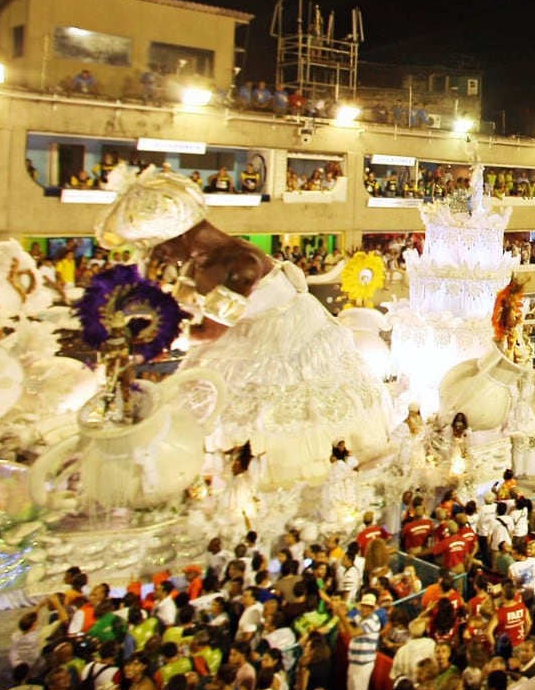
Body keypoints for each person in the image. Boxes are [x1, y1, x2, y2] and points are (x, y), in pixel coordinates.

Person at [93, 165, 390, 489]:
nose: (161, 255)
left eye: (161, 246)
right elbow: (184, 309)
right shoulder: (197, 263)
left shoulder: (239, 264)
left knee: (275, 415)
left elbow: (208, 331)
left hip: (281, 344)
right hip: (240, 338)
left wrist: (155, 341)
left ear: (181, 234)